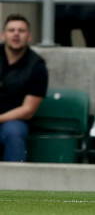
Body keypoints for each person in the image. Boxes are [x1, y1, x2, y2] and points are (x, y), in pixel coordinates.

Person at [0, 14, 48, 162]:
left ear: (29, 37)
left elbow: (28, 110)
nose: (16, 34)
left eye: (21, 31)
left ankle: (14, 182)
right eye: (11, 30)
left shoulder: (37, 66)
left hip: (14, 120)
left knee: (13, 132)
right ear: (3, 36)